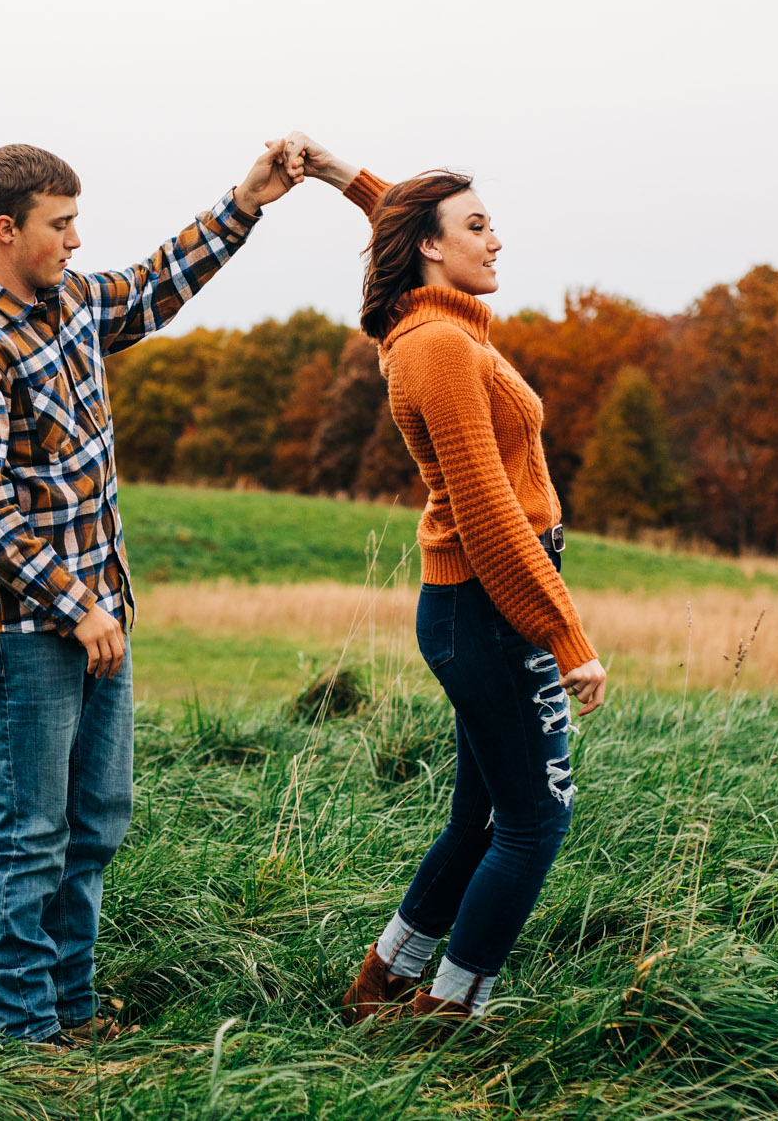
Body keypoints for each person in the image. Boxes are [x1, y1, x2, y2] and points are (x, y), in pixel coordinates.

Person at [0, 138, 309, 1052]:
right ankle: (21, 1032)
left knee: (94, 825)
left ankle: (73, 1011)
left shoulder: (71, 306)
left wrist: (248, 200)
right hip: (26, 630)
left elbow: (157, 283)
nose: (77, 240)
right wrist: (76, 606)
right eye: (61, 224)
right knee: (28, 834)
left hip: (100, 617)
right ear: (6, 230)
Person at [296, 137, 610, 1022]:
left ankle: (386, 979)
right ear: (434, 247)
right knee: (535, 821)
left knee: (483, 816)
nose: (496, 240)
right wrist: (565, 634)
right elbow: (489, 515)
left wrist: (339, 176)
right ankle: (451, 1012)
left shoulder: (433, 320)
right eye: (478, 226)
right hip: (491, 603)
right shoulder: (437, 346)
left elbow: (405, 213)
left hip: (481, 604)